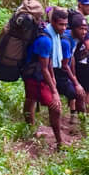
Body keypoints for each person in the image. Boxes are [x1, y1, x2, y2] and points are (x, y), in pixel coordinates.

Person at [27, 8, 71, 149]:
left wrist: (53, 81)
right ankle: (59, 142)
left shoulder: (54, 36)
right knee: (55, 106)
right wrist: (54, 91)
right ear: (52, 22)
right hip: (34, 75)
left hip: (39, 73)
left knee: (30, 99)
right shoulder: (45, 40)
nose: (64, 28)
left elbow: (50, 62)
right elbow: (44, 68)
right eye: (60, 24)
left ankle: (30, 130)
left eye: (65, 24)